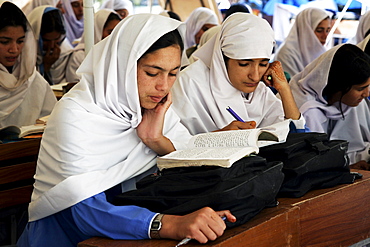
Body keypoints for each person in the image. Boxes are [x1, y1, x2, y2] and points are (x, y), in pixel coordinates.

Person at [17, 13, 236, 247]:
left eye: (173, 73)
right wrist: (168, 224)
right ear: (121, 65)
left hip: (134, 233)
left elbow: (184, 168)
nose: (163, 86)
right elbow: (82, 210)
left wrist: (156, 140)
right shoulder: (76, 114)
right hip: (67, 237)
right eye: (152, 73)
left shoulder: (152, 106)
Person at [171, 13, 305, 136]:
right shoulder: (189, 85)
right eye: (244, 64)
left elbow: (297, 132)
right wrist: (219, 136)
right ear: (222, 59)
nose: (255, 76)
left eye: (263, 64)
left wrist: (284, 89)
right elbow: (171, 143)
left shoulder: (260, 92)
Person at [288, 43, 370, 168]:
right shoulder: (307, 111)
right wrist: (347, 168)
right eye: (360, 89)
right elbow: (313, 162)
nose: (366, 93)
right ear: (339, 86)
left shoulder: (349, 100)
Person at [0, 1, 56, 128]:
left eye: (20, 41)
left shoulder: (33, 80)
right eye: (4, 42)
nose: (14, 49)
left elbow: (52, 122)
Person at [65, 9, 121, 83]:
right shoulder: (81, 56)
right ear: (97, 31)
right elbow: (75, 84)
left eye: (117, 32)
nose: (115, 36)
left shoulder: (119, 53)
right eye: (110, 32)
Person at [274, 7, 331, 78]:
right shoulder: (286, 54)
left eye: (327, 31)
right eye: (319, 30)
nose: (325, 36)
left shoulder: (320, 52)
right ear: (305, 30)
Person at [28, 6, 73, 85]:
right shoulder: (24, 55)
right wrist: (45, 66)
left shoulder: (66, 53)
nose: (52, 46)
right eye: (46, 40)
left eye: (56, 39)